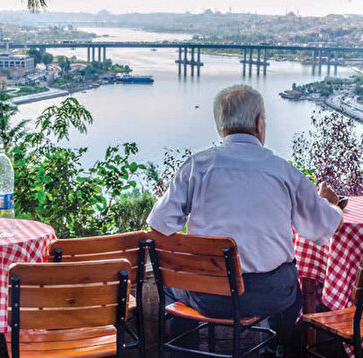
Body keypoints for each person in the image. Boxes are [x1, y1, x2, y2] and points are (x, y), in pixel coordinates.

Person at [146, 84, 344, 356]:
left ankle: (184, 353)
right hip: (271, 294)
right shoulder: (284, 171)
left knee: (169, 287)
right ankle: (276, 350)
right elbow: (322, 228)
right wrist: (332, 205)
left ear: (220, 127)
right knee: (291, 291)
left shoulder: (197, 167)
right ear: (260, 123)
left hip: (208, 295)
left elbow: (159, 226)